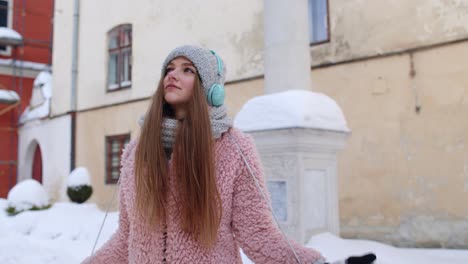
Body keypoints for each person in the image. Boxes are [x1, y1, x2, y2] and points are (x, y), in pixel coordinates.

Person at [83, 45, 376, 264]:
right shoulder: (137, 152)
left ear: (212, 90)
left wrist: (316, 263)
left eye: (188, 69)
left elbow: (259, 235)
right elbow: (126, 238)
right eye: (169, 69)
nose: (173, 75)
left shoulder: (235, 149)